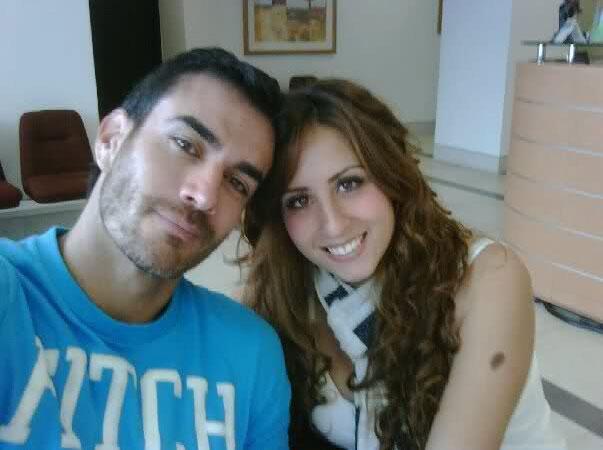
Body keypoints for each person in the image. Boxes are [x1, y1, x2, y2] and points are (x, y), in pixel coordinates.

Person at [240, 79, 566, 450]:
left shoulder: (486, 279)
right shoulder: (286, 284)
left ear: (392, 175)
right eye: (298, 201)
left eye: (349, 183)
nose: (333, 224)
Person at [0, 48, 290, 450]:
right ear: (110, 140)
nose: (205, 195)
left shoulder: (250, 353)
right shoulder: (11, 296)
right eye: (185, 144)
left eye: (237, 183)